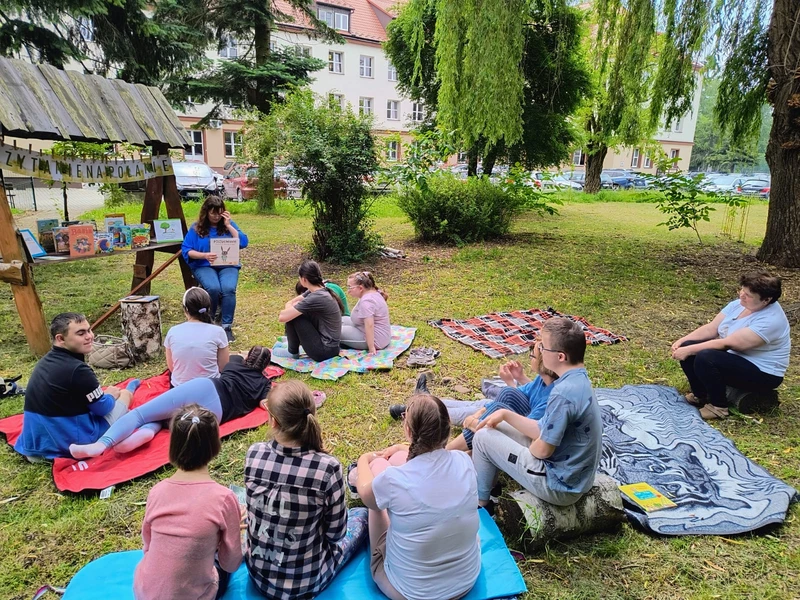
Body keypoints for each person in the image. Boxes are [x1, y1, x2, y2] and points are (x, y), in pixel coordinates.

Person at [245, 380, 368, 599]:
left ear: (272, 421)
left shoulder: (254, 454)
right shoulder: (327, 468)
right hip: (307, 582)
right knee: (362, 516)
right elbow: (336, 534)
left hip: (259, 576)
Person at [356, 394, 481, 600]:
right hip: (466, 581)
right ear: (448, 429)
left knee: (376, 504)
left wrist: (364, 459)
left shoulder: (393, 479)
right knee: (396, 464)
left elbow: (366, 494)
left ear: (408, 430)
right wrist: (400, 450)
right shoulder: (464, 461)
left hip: (410, 592)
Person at [471, 317, 603, 508]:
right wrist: (506, 415)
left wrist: (531, 447)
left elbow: (542, 450)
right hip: (572, 476)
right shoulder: (578, 379)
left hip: (559, 485)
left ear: (560, 357)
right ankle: (490, 488)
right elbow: (542, 427)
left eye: (543, 347)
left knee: (482, 437)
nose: (539, 350)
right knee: (496, 425)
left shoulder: (563, 392)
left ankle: (481, 504)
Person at [69, 346, 272, 459]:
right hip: (216, 414)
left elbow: (237, 354)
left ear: (248, 358)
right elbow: (266, 403)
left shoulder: (236, 363)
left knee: (142, 413)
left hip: (206, 388)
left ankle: (101, 444)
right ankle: (148, 432)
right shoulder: (264, 383)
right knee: (164, 418)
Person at [133, 404, 242, 600]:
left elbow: (148, 545)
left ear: (172, 445)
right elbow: (231, 563)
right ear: (215, 447)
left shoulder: (156, 491)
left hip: (144, 592)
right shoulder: (224, 498)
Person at [388, 343, 558, 453]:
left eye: (533, 355)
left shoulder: (552, 396)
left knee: (489, 406)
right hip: (514, 414)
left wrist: (475, 423)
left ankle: (427, 420)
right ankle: (423, 401)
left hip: (521, 435)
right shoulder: (543, 380)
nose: (530, 357)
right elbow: (526, 397)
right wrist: (518, 379)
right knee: (485, 403)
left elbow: (525, 430)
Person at [14, 313, 139, 460]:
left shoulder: (45, 362)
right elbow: (103, 409)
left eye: (89, 330)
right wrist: (111, 395)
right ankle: (131, 388)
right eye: (81, 333)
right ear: (60, 339)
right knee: (125, 394)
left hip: (35, 445)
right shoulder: (78, 370)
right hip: (72, 445)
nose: (89, 336)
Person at [670, 270, 791, 420]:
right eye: (742, 290)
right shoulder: (739, 305)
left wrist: (689, 350)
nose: (742, 295)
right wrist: (683, 341)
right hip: (737, 360)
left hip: (763, 373)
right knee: (691, 346)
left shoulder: (771, 320)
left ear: (766, 300)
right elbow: (711, 328)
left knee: (705, 356)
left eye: (748, 295)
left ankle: (718, 407)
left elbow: (728, 344)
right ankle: (701, 395)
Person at [182, 195, 249, 342]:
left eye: (219, 213)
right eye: (213, 213)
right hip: (204, 264)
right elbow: (186, 250)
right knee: (213, 288)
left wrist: (229, 225)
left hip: (227, 265)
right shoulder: (196, 228)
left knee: (228, 288)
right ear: (206, 212)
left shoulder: (228, 225)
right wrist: (204, 255)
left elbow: (243, 242)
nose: (216, 216)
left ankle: (226, 326)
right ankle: (208, 320)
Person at [276, 260, 342, 362]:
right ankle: (293, 347)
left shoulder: (316, 297)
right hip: (332, 348)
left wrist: (289, 307)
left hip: (325, 352)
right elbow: (294, 301)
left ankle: (292, 352)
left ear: (304, 279)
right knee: (295, 311)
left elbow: (282, 317)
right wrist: (291, 306)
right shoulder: (319, 289)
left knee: (295, 316)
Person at [165, 287, 229, 387]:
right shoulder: (218, 332)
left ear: (185, 309)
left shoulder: (173, 331)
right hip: (210, 389)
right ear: (208, 308)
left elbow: (172, 367)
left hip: (179, 389)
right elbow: (223, 367)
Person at [341, 271, 391, 354]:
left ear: (360, 288)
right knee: (341, 320)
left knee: (336, 332)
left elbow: (369, 325)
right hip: (366, 329)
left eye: (350, 287)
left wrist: (371, 348)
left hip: (376, 340)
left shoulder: (367, 302)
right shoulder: (372, 293)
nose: (348, 291)